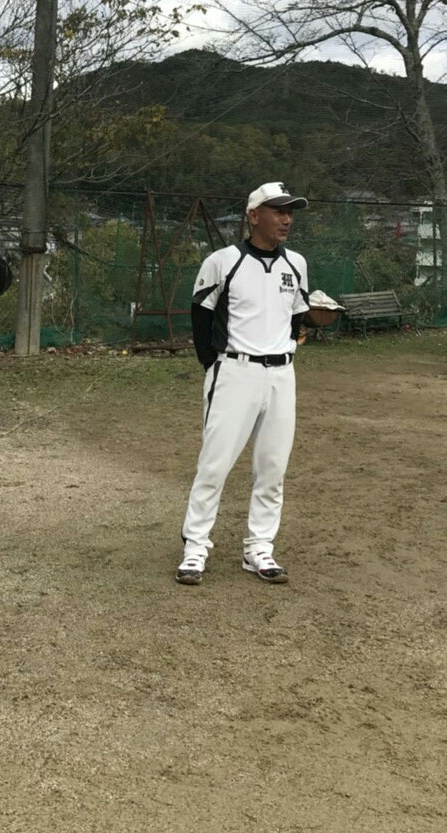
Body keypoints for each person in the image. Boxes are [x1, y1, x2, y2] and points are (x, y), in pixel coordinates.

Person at [176, 182, 309, 586]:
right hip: (234, 371)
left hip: (282, 375)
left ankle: (259, 549)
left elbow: (297, 316)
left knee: (272, 467)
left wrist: (308, 330)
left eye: (290, 211)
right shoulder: (223, 261)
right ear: (254, 216)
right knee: (214, 464)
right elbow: (200, 314)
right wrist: (213, 364)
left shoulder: (297, 264)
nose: (286, 219)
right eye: (277, 210)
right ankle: (195, 548)